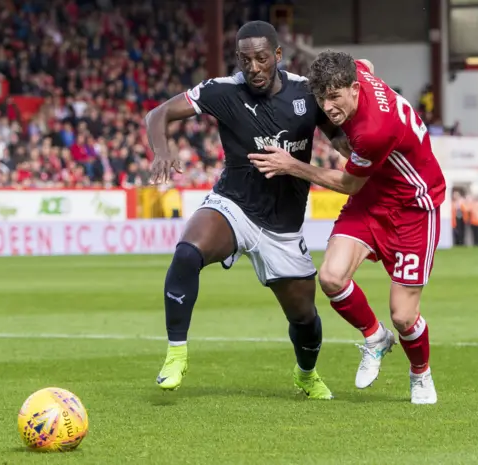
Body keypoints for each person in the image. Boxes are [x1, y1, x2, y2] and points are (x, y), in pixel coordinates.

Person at [145, 22, 348, 400]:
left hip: (283, 228)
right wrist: (161, 150)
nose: (252, 67)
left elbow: (339, 135)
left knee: (304, 317)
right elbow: (158, 114)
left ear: (277, 56)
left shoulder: (306, 92)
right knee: (187, 253)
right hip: (233, 206)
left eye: (260, 58)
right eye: (244, 59)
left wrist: (352, 151)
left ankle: (306, 374)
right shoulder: (221, 90)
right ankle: (176, 353)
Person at [248, 51, 446, 404]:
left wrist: (291, 165)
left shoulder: (373, 130)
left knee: (403, 316)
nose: (328, 107)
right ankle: (375, 338)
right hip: (374, 198)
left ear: (355, 88)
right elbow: (368, 62)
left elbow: (348, 184)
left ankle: (421, 374)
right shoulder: (358, 75)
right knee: (331, 278)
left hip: (414, 206)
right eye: (322, 98)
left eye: (335, 97)